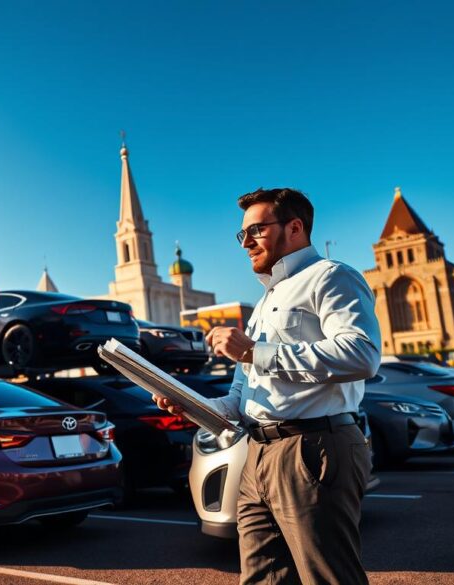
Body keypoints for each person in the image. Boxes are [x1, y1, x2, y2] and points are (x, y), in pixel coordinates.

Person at [158, 188, 380, 585]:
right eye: (241, 234)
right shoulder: (264, 301)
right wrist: (190, 404)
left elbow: (361, 355)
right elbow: (242, 401)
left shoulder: (331, 276)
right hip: (256, 453)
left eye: (256, 230)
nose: (245, 243)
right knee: (261, 579)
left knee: (328, 577)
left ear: (295, 227)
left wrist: (255, 352)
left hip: (312, 449)